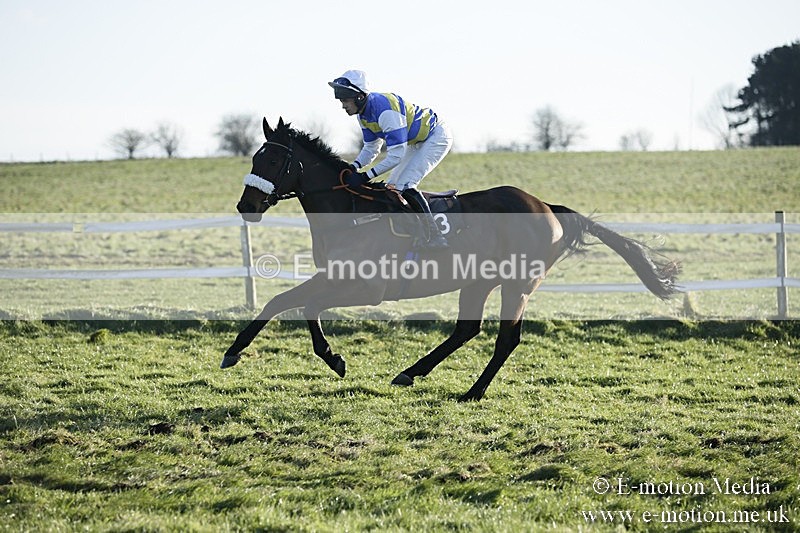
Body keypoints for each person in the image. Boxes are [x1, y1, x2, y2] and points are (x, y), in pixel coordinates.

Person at [328, 70, 453, 249]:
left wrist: (365, 176)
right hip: (416, 142)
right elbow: (372, 147)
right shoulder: (363, 115)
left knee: (406, 185)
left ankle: (435, 237)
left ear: (360, 97)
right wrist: (354, 167)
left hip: (436, 137)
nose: (343, 106)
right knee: (392, 188)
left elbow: (396, 155)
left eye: (345, 100)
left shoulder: (385, 110)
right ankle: (408, 235)